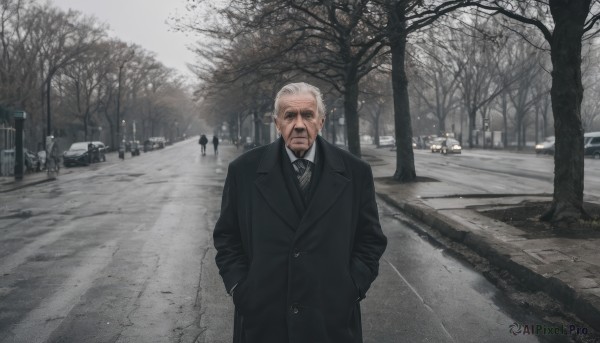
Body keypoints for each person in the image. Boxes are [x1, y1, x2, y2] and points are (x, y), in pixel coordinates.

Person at [213, 82, 387, 343]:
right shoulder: (244, 171)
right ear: (277, 123)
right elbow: (227, 237)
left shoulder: (355, 172)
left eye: (307, 115)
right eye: (289, 116)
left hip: (331, 320)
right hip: (263, 321)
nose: (299, 124)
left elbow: (371, 239)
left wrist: (352, 287)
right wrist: (241, 289)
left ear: (321, 121)